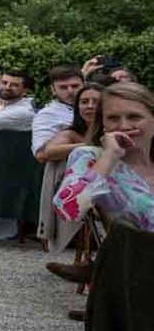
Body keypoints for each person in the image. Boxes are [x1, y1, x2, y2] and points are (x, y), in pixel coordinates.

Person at [53, 83, 154, 233]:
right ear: (103, 123)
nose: (124, 126)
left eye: (134, 117)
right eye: (113, 118)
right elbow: (66, 210)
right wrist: (110, 155)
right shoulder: (92, 158)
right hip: (135, 253)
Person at [40, 82, 105, 165]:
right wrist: (91, 145)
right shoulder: (71, 133)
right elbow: (50, 152)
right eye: (84, 102)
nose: (90, 106)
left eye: (96, 102)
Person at [33, 65, 85, 160]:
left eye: (75, 86)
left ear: (84, 85)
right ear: (53, 90)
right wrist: (89, 145)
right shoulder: (47, 115)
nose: (70, 91)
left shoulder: (97, 106)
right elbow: (41, 154)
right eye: (63, 87)